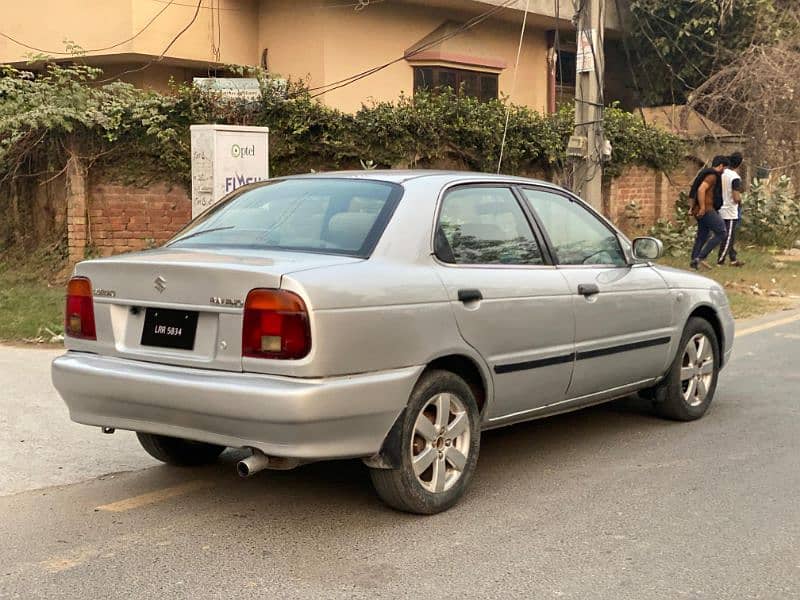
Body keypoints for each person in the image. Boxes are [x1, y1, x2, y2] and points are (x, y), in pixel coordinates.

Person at [689, 155, 729, 270]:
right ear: (721, 166)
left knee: (702, 235)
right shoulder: (712, 176)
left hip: (699, 209)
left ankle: (694, 261)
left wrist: (692, 207)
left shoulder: (704, 173)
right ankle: (701, 257)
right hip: (706, 209)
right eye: (724, 168)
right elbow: (701, 189)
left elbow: (693, 190)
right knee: (722, 232)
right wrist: (702, 207)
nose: (724, 171)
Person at [717, 152, 744, 266]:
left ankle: (733, 258)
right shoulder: (735, 177)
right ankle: (721, 260)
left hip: (719, 207)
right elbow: (736, 196)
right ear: (739, 164)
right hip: (730, 210)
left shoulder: (721, 173)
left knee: (729, 236)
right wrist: (741, 201)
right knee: (728, 236)